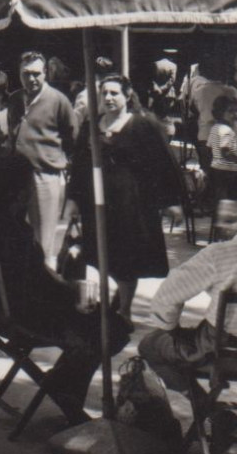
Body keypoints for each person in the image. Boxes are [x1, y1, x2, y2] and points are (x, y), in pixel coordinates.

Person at [0, 154, 130, 423]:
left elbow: (39, 274)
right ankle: (65, 393)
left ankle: (64, 387)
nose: (31, 194)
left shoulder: (15, 225)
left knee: (110, 323)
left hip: (35, 309)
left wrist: (69, 287)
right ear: (15, 192)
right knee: (110, 329)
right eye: (28, 187)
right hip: (21, 318)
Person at [64, 73, 182, 314]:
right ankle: (106, 305)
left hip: (130, 203)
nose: (108, 97)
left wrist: (171, 201)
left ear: (127, 95)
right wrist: (73, 199)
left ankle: (124, 309)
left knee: (126, 259)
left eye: (114, 93)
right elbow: (79, 165)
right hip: (95, 202)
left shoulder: (143, 124)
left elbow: (164, 163)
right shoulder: (90, 125)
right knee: (99, 255)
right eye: (104, 93)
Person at [138, 202, 237, 447]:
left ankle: (206, 408)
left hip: (225, 349)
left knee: (151, 345)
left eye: (231, 220)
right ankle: (212, 412)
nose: (220, 226)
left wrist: (170, 328)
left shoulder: (221, 254)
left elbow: (169, 294)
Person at [12, 51, 75, 269]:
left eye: (36, 74)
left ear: (45, 73)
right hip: (17, 177)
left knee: (43, 237)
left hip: (45, 176)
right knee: (16, 232)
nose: (31, 79)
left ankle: (44, 281)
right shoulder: (15, 99)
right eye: (26, 74)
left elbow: (72, 137)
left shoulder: (58, 100)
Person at [205, 95, 237, 205]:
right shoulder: (226, 130)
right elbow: (226, 152)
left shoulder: (214, 128)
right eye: (231, 111)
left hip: (216, 169)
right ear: (220, 112)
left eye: (236, 111)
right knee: (232, 201)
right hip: (229, 171)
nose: (235, 115)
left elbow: (209, 147)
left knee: (220, 201)